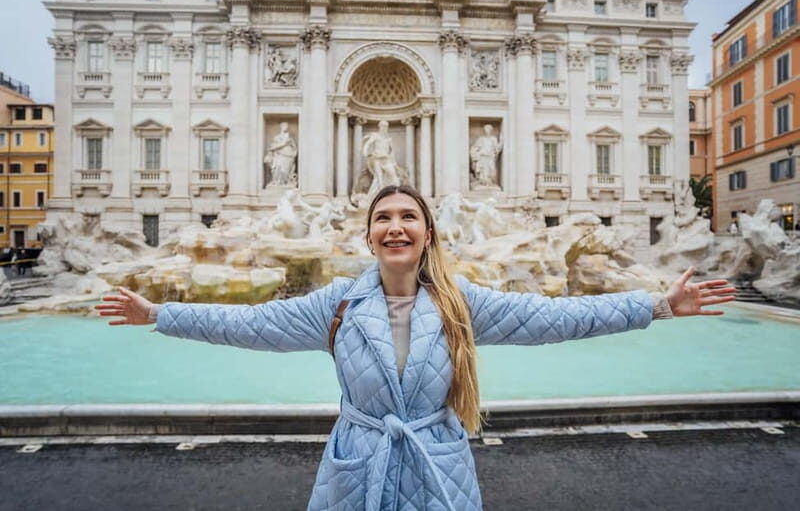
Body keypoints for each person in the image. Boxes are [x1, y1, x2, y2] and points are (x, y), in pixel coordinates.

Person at [96, 184, 736, 510]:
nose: (395, 225)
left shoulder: (465, 303)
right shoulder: (336, 304)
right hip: (359, 461)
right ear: (369, 236)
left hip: (437, 461)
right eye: (383, 218)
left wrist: (655, 304)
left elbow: (555, 317)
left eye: (407, 216)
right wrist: (159, 313)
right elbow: (249, 325)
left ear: (427, 232)